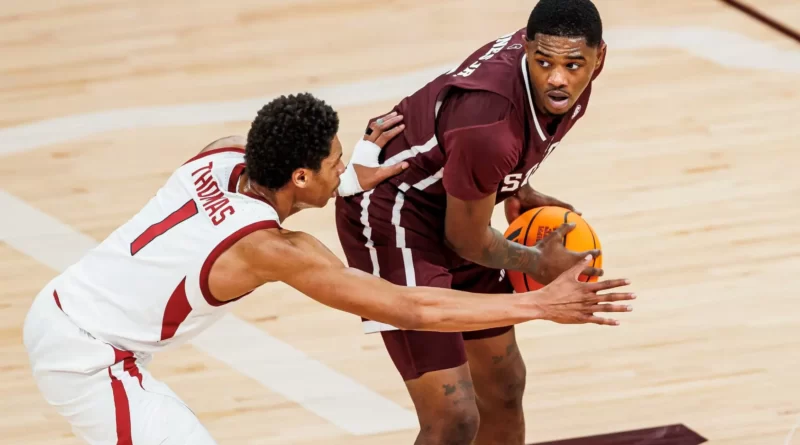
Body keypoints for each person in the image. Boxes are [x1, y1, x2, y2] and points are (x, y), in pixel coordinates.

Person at [23, 92, 632, 445]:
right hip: (90, 360)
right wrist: (538, 303)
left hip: (66, 306)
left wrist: (355, 170)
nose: (347, 168)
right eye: (337, 162)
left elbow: (268, 151)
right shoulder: (271, 249)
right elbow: (412, 307)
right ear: (298, 176)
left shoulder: (220, 156)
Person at [335, 1, 610, 444]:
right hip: (396, 214)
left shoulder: (558, 75)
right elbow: (465, 238)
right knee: (454, 417)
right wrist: (537, 261)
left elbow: (493, 162)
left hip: (457, 204)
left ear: (598, 58)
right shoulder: (489, 123)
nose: (557, 78)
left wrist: (518, 188)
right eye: (544, 63)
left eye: (572, 65)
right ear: (526, 49)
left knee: (503, 387)